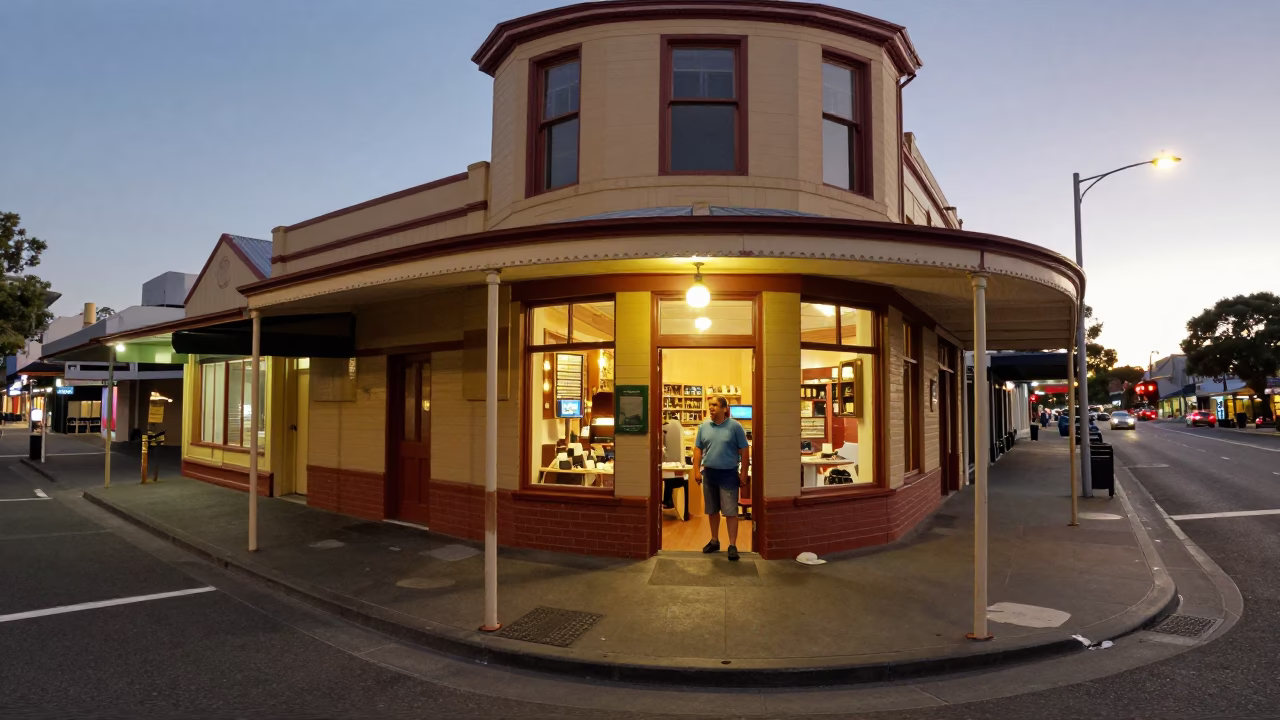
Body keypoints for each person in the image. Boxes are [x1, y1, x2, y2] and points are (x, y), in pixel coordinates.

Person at [692, 396, 750, 561]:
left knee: (730, 512)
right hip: (709, 474)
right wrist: (696, 470)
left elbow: (744, 450)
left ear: (725, 409)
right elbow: (698, 449)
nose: (711, 408)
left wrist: (744, 472)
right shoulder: (704, 427)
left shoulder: (735, 427)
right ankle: (714, 540)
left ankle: (732, 545)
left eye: (715, 405)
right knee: (712, 510)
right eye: (710, 405)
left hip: (728, 474)